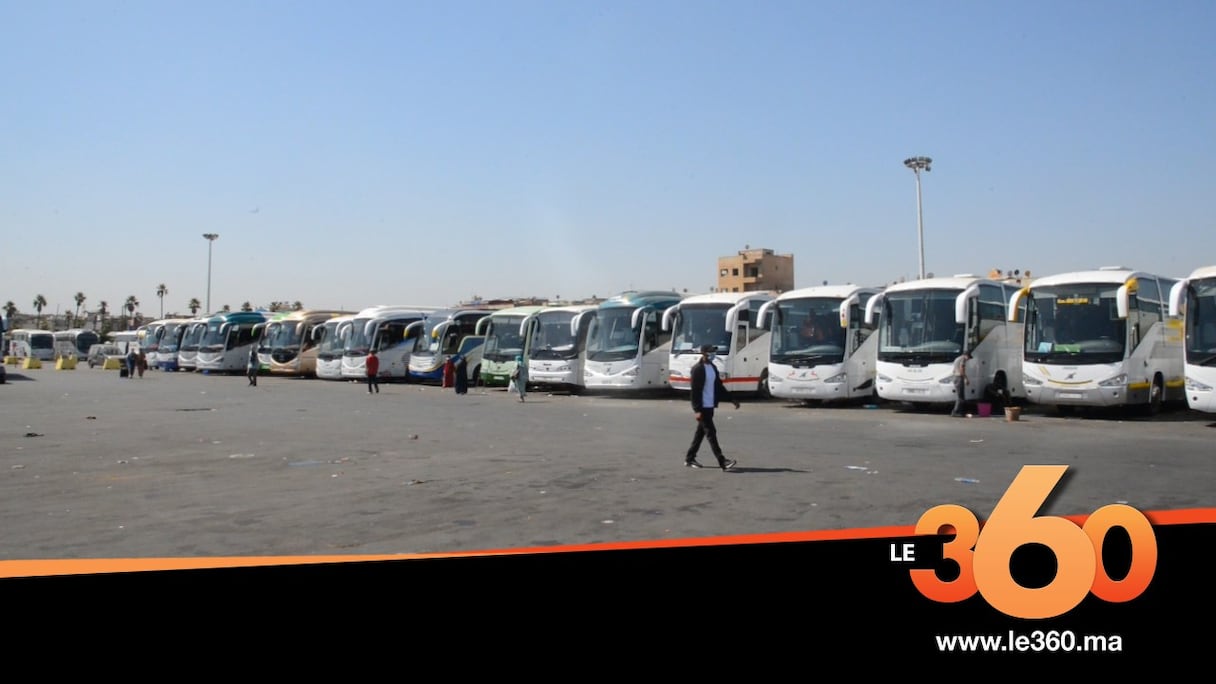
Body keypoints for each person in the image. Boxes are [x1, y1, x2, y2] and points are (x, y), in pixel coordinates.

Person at [685, 343, 739, 471]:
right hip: (702, 407)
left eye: (713, 352)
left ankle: (689, 458)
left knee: (700, 434)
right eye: (710, 352)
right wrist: (697, 409)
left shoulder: (713, 368)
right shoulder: (697, 369)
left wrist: (731, 399)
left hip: (710, 405)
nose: (713, 355)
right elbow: (695, 391)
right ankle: (722, 461)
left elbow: (718, 387)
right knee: (711, 433)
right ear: (704, 353)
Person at [951, 351, 971, 417]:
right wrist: (966, 378)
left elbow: (954, 370)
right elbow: (962, 369)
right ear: (966, 355)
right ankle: (955, 412)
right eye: (968, 357)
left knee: (960, 396)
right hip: (959, 377)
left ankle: (961, 412)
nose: (968, 359)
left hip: (955, 377)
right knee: (960, 397)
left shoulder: (957, 358)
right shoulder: (963, 359)